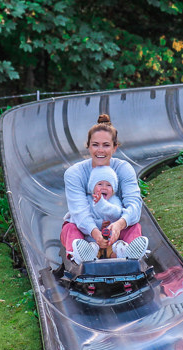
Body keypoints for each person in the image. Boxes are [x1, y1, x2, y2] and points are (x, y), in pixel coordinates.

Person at [61, 113, 149, 264]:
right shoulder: (75, 173)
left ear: (114, 148)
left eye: (106, 145)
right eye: (95, 145)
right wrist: (95, 233)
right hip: (87, 232)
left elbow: (134, 205)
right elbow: (79, 211)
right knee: (70, 228)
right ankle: (81, 255)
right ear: (88, 146)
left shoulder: (123, 169)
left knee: (134, 225)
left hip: (116, 232)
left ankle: (125, 253)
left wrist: (119, 224)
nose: (100, 150)